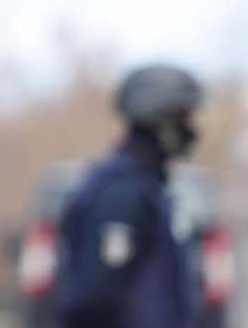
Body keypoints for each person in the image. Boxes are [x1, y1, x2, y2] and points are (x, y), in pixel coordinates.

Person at [56, 64, 203, 328]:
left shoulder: (148, 187)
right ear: (161, 120)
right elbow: (94, 300)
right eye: (185, 117)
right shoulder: (121, 193)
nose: (193, 130)